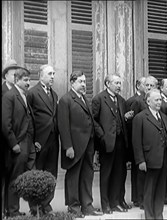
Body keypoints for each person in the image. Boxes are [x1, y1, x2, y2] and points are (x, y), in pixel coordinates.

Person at [58, 70, 101, 217]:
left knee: (87, 176)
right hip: (74, 147)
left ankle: (87, 206)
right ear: (72, 83)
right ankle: (74, 208)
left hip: (88, 146)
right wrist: (68, 147)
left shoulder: (84, 99)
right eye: (80, 82)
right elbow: (63, 126)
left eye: (84, 82)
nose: (84, 84)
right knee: (73, 177)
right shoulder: (66, 100)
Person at [92, 74, 133, 214]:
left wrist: (125, 118)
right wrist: (102, 136)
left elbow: (119, 118)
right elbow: (94, 120)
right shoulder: (99, 98)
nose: (119, 86)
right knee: (106, 174)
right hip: (107, 142)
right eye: (116, 83)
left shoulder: (121, 100)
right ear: (108, 83)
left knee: (118, 173)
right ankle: (105, 204)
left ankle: (115, 202)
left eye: (120, 83)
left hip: (121, 142)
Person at [2, 67, 40, 217]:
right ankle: (12, 211)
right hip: (18, 144)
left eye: (29, 80)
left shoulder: (24, 95)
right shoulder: (10, 96)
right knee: (15, 177)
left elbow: (28, 119)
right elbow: (5, 123)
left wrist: (34, 141)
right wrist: (13, 144)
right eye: (25, 80)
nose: (28, 83)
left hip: (29, 143)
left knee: (31, 175)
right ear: (17, 80)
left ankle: (34, 209)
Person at [132, 89, 167, 219]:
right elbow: (136, 141)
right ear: (148, 101)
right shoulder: (140, 117)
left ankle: (158, 214)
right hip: (149, 159)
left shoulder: (164, 117)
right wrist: (140, 161)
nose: (159, 102)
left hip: (163, 159)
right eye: (156, 100)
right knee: (149, 190)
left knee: (161, 190)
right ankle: (149, 216)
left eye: (160, 100)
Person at [26, 65, 59, 216]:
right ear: (41, 75)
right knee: (37, 173)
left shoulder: (55, 94)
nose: (52, 76)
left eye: (53, 74)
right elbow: (28, 119)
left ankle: (46, 204)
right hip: (39, 140)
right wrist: (33, 141)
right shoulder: (32, 93)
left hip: (53, 140)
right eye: (49, 74)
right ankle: (35, 207)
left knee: (51, 173)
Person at [1, 59, 21, 217]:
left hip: (16, 142)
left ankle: (12, 210)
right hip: (4, 142)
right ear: (6, 75)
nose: (15, 76)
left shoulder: (19, 93)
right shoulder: (3, 93)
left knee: (14, 177)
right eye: (13, 73)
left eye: (17, 73)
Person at [125, 76, 146, 207]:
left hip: (145, 141)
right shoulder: (134, 101)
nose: (148, 87)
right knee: (137, 171)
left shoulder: (145, 99)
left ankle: (140, 196)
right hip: (136, 141)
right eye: (146, 85)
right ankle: (137, 198)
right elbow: (133, 123)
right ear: (138, 86)